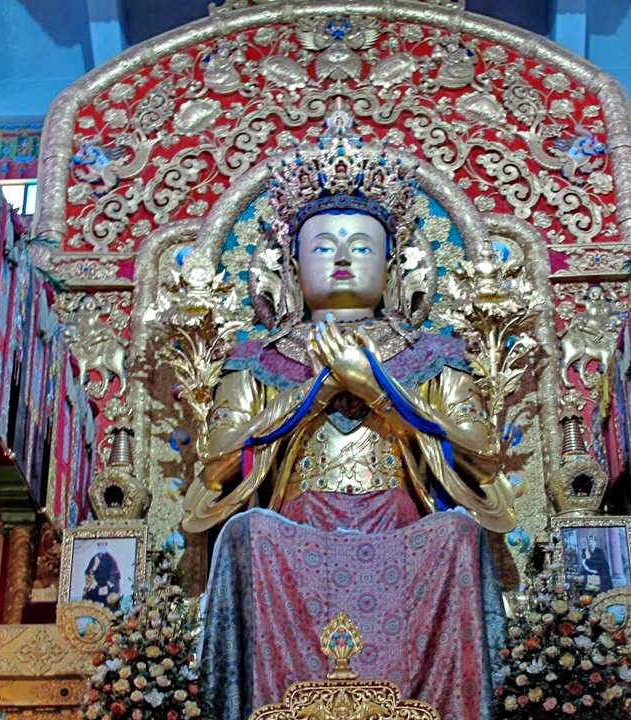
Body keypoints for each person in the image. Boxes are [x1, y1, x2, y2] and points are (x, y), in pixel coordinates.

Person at [183, 105, 520, 720]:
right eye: (323, 245)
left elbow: (482, 447)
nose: (342, 257)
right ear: (293, 264)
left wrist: (376, 387)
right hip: (296, 532)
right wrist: (312, 391)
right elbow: (215, 463)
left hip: (402, 532)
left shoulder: (431, 351)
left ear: (391, 264)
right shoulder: (258, 356)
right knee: (245, 532)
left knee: (459, 533)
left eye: (362, 245)